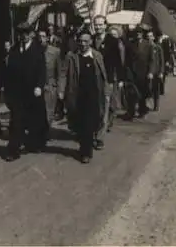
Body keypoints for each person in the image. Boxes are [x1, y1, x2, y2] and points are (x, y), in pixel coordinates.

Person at [59, 30, 109, 164]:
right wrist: (61, 90)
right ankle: (85, 149)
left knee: (92, 122)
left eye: (86, 41)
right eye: (80, 41)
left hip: (94, 94)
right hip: (77, 95)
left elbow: (103, 75)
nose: (82, 44)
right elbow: (63, 73)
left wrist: (106, 91)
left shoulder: (97, 56)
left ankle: (87, 149)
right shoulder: (72, 56)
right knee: (81, 124)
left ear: (91, 42)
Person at [3, 22, 49, 161]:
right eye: (20, 33)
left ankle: (35, 143)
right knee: (16, 121)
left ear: (31, 34)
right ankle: (13, 150)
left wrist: (39, 86)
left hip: (33, 91)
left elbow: (42, 70)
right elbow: (9, 71)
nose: (22, 36)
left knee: (36, 119)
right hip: (17, 92)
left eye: (25, 33)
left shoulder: (38, 49)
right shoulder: (15, 49)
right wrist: (7, 89)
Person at [92, 15, 124, 143]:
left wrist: (120, 79)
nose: (98, 27)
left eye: (100, 24)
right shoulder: (91, 40)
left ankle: (100, 137)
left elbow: (118, 62)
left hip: (107, 79)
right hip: (92, 78)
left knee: (105, 107)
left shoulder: (113, 41)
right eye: (96, 25)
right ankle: (94, 129)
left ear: (105, 25)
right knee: (94, 106)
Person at [122, 25, 155, 120]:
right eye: (137, 33)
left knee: (142, 93)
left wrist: (151, 72)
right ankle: (131, 112)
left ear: (142, 34)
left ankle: (142, 110)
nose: (138, 35)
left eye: (140, 33)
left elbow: (151, 60)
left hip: (144, 72)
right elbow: (127, 59)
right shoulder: (131, 44)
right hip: (133, 72)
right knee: (132, 93)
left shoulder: (148, 45)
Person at [37, 28, 63, 126]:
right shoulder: (33, 51)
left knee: (49, 111)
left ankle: (45, 131)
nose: (41, 39)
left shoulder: (55, 52)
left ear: (48, 38)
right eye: (39, 37)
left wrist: (60, 90)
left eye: (43, 37)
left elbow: (60, 72)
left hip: (50, 85)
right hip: (36, 85)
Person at [147, 31, 164, 111]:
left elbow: (161, 61)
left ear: (153, 37)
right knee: (148, 89)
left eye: (150, 36)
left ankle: (156, 105)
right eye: (148, 36)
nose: (149, 38)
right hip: (147, 72)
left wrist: (161, 72)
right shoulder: (145, 47)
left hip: (156, 72)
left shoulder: (157, 47)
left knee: (155, 90)